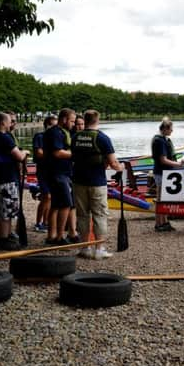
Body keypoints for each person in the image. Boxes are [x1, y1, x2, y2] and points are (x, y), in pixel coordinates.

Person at [72, 110, 123, 260]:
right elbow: (113, 162)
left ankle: (84, 248)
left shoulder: (76, 137)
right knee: (99, 215)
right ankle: (99, 249)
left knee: (82, 215)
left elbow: (74, 157)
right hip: (96, 182)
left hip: (78, 181)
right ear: (97, 120)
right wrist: (121, 168)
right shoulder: (102, 138)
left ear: (85, 120)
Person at [0, 112, 29, 250]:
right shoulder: (4, 138)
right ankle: (4, 238)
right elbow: (19, 156)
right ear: (3, 123)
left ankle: (5, 235)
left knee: (0, 208)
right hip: (7, 177)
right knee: (7, 209)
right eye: (10, 121)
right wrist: (26, 152)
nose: (11, 124)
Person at [43, 108, 79, 245]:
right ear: (64, 119)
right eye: (72, 121)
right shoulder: (55, 133)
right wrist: (76, 154)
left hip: (64, 172)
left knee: (56, 205)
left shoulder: (63, 132)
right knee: (65, 204)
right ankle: (59, 236)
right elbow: (58, 153)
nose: (73, 124)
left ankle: (51, 236)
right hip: (57, 173)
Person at [152, 119, 184, 232]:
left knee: (164, 198)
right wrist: (178, 164)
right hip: (162, 173)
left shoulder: (161, 139)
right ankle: (159, 223)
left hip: (164, 172)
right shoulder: (160, 141)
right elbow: (163, 160)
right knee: (161, 199)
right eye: (170, 128)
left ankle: (164, 222)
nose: (172, 130)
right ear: (165, 128)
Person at [32, 115, 57, 232]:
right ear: (47, 125)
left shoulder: (56, 138)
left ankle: (46, 222)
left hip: (54, 171)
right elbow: (39, 153)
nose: (55, 128)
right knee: (46, 197)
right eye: (53, 125)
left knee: (51, 198)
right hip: (43, 171)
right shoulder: (39, 136)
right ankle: (38, 223)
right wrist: (55, 154)